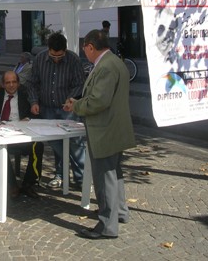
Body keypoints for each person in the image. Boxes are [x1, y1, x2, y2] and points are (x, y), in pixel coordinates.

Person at [63, 29, 135, 240]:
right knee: (114, 174)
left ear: (90, 47)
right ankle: (119, 212)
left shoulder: (105, 66)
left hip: (105, 130)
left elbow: (98, 101)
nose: (85, 53)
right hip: (114, 128)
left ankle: (107, 225)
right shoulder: (114, 61)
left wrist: (76, 106)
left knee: (105, 178)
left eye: (85, 49)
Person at [27, 32, 86, 189]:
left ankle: (82, 179)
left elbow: (80, 83)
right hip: (47, 108)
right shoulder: (40, 59)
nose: (56, 59)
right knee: (55, 143)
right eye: (53, 55)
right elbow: (32, 82)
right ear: (48, 49)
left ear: (65, 50)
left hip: (68, 109)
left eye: (60, 56)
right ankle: (60, 175)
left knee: (75, 142)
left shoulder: (73, 60)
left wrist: (71, 99)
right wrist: (34, 101)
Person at [0, 71, 44, 198]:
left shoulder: (26, 94)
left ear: (18, 83)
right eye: (8, 82)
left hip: (21, 135)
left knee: (38, 146)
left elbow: (36, 113)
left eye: (14, 82)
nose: (11, 85)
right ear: (3, 84)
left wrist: (28, 119)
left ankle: (28, 184)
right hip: (1, 135)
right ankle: (12, 184)